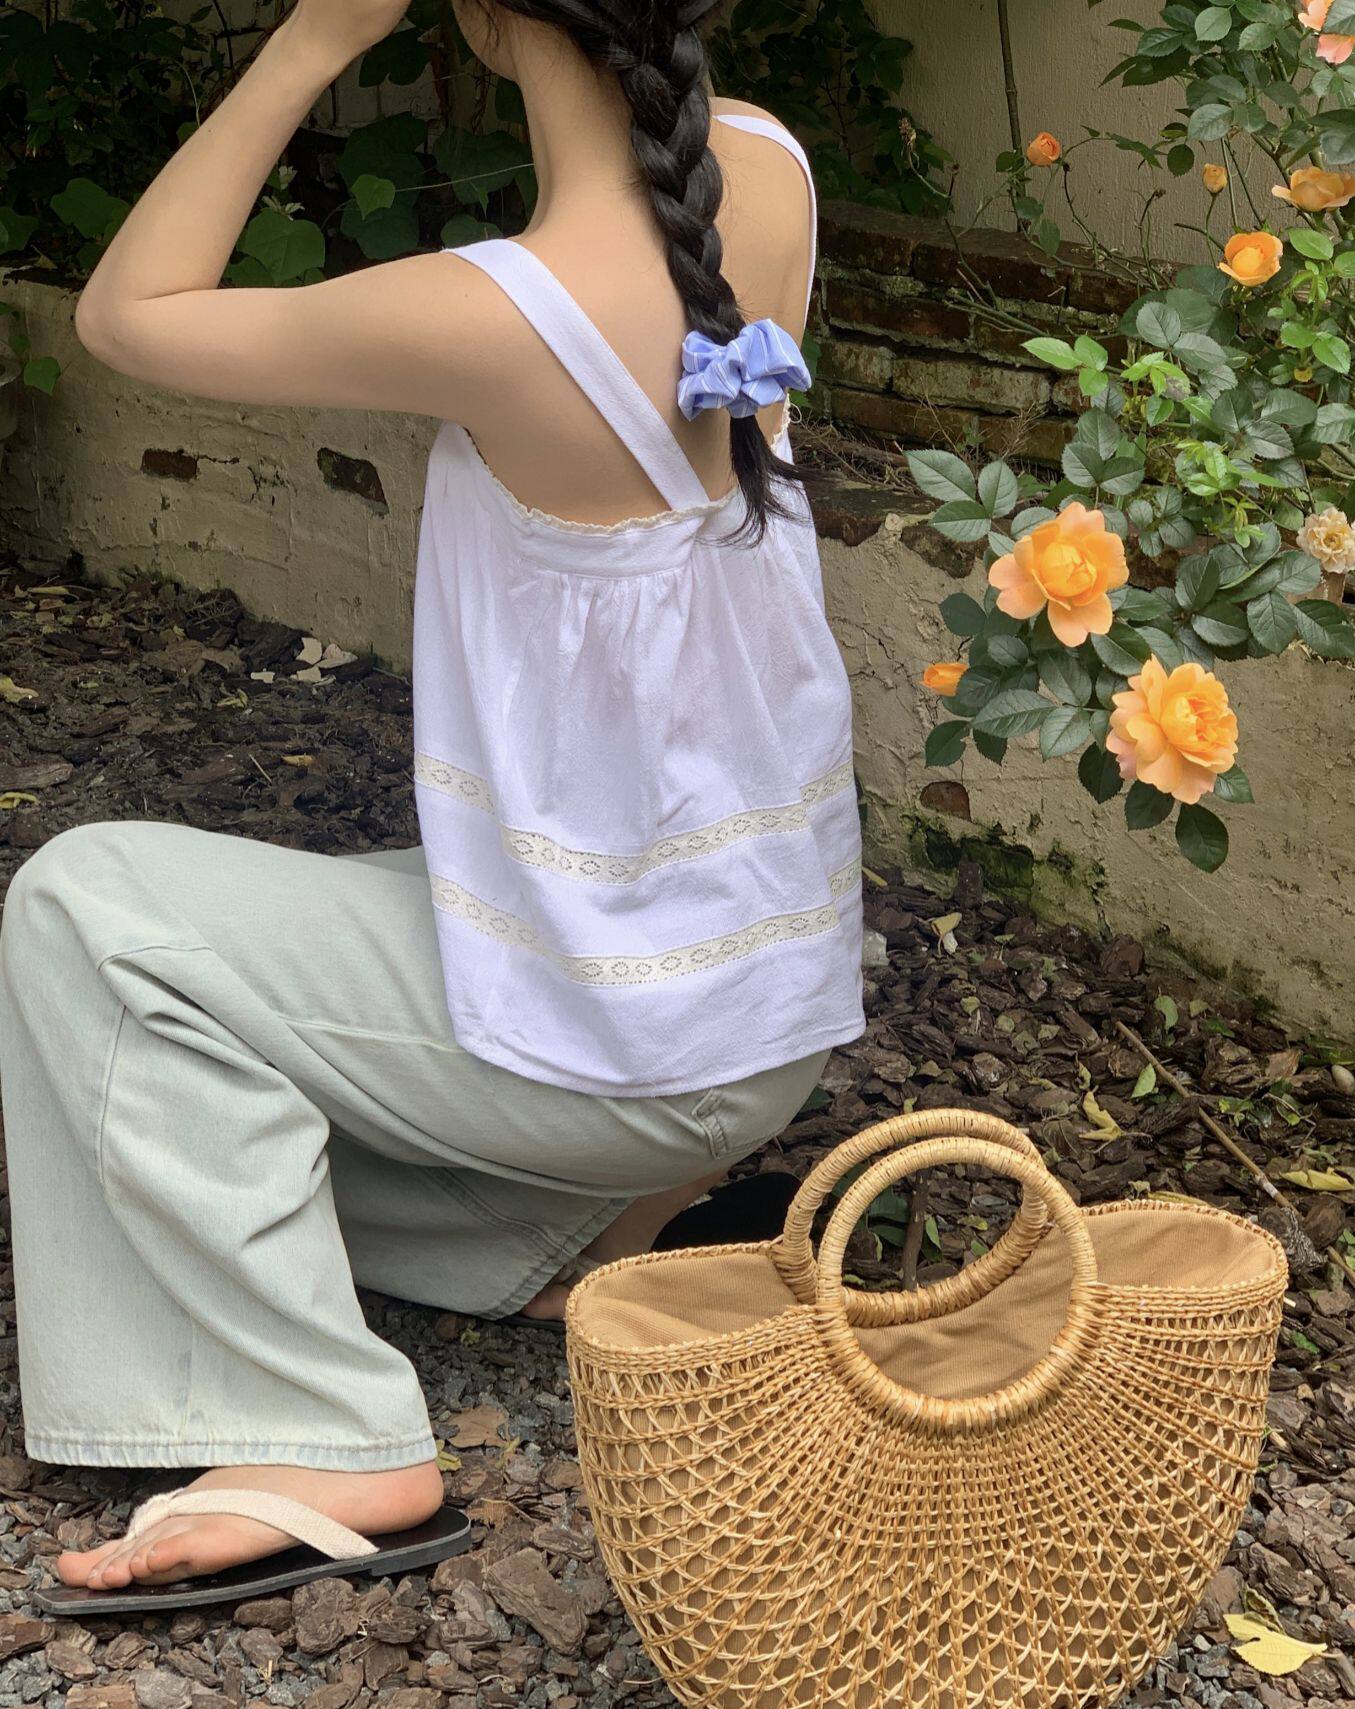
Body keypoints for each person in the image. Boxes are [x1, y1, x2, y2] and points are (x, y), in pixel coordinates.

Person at [0, 0, 864, 1608]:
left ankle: (322, 1425)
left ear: (476, 16)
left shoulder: (492, 311)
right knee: (251, 1035)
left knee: (84, 912)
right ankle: (574, 1239)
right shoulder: (766, 172)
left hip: (638, 1052)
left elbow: (126, 311)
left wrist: (313, 40)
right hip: (762, 1006)